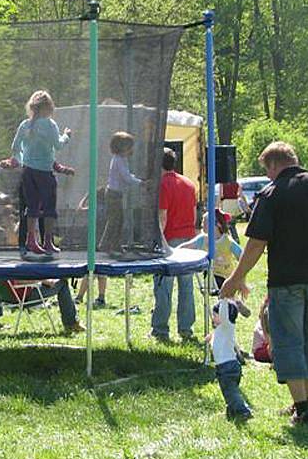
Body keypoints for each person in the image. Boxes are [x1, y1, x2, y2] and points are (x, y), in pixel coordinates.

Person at [221, 141, 308, 425]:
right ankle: (305, 403)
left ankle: (303, 408)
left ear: (273, 165)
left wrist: (236, 277)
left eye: (266, 170)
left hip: (285, 281)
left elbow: (256, 243)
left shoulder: (272, 194)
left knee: (287, 341)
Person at [10, 90, 71, 256]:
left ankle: (31, 240)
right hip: (44, 172)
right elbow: (58, 145)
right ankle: (48, 241)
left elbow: (15, 147)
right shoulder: (49, 124)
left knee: (32, 207)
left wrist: (22, 160)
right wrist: (66, 136)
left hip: (28, 172)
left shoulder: (25, 124)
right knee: (49, 207)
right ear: (48, 107)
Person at [151, 148, 197, 341]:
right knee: (186, 286)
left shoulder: (162, 184)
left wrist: (158, 241)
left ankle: (161, 330)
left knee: (164, 286)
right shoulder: (189, 183)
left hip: (169, 240)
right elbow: (194, 214)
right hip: (189, 239)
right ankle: (186, 329)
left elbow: (162, 216)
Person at [98, 131, 144, 255]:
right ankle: (106, 245)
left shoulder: (121, 159)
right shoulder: (118, 160)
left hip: (116, 194)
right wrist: (141, 183)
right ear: (122, 148)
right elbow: (126, 177)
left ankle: (114, 244)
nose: (131, 150)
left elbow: (127, 175)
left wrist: (137, 180)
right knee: (115, 220)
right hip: (113, 194)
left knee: (118, 220)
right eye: (129, 147)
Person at [178, 209, 242, 292]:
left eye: (205, 222)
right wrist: (174, 252)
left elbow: (241, 256)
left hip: (226, 278)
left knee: (226, 295)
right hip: (210, 277)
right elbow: (186, 246)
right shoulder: (203, 239)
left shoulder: (227, 241)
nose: (202, 224)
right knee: (212, 279)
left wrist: (240, 278)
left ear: (217, 224)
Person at [211, 297, 253, 420]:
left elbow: (224, 311)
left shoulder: (226, 325)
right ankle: (232, 409)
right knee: (229, 391)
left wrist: (224, 298)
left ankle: (242, 410)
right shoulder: (222, 329)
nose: (213, 318)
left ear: (224, 316)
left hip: (227, 367)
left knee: (230, 392)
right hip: (228, 367)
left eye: (214, 315)